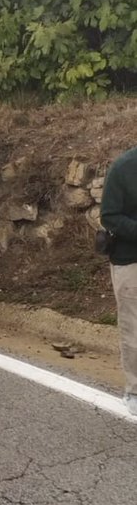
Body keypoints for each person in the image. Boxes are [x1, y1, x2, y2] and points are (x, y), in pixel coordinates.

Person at [101, 146, 137, 416]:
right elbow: (109, 216)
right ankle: (134, 390)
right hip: (129, 260)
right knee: (133, 328)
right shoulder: (123, 167)